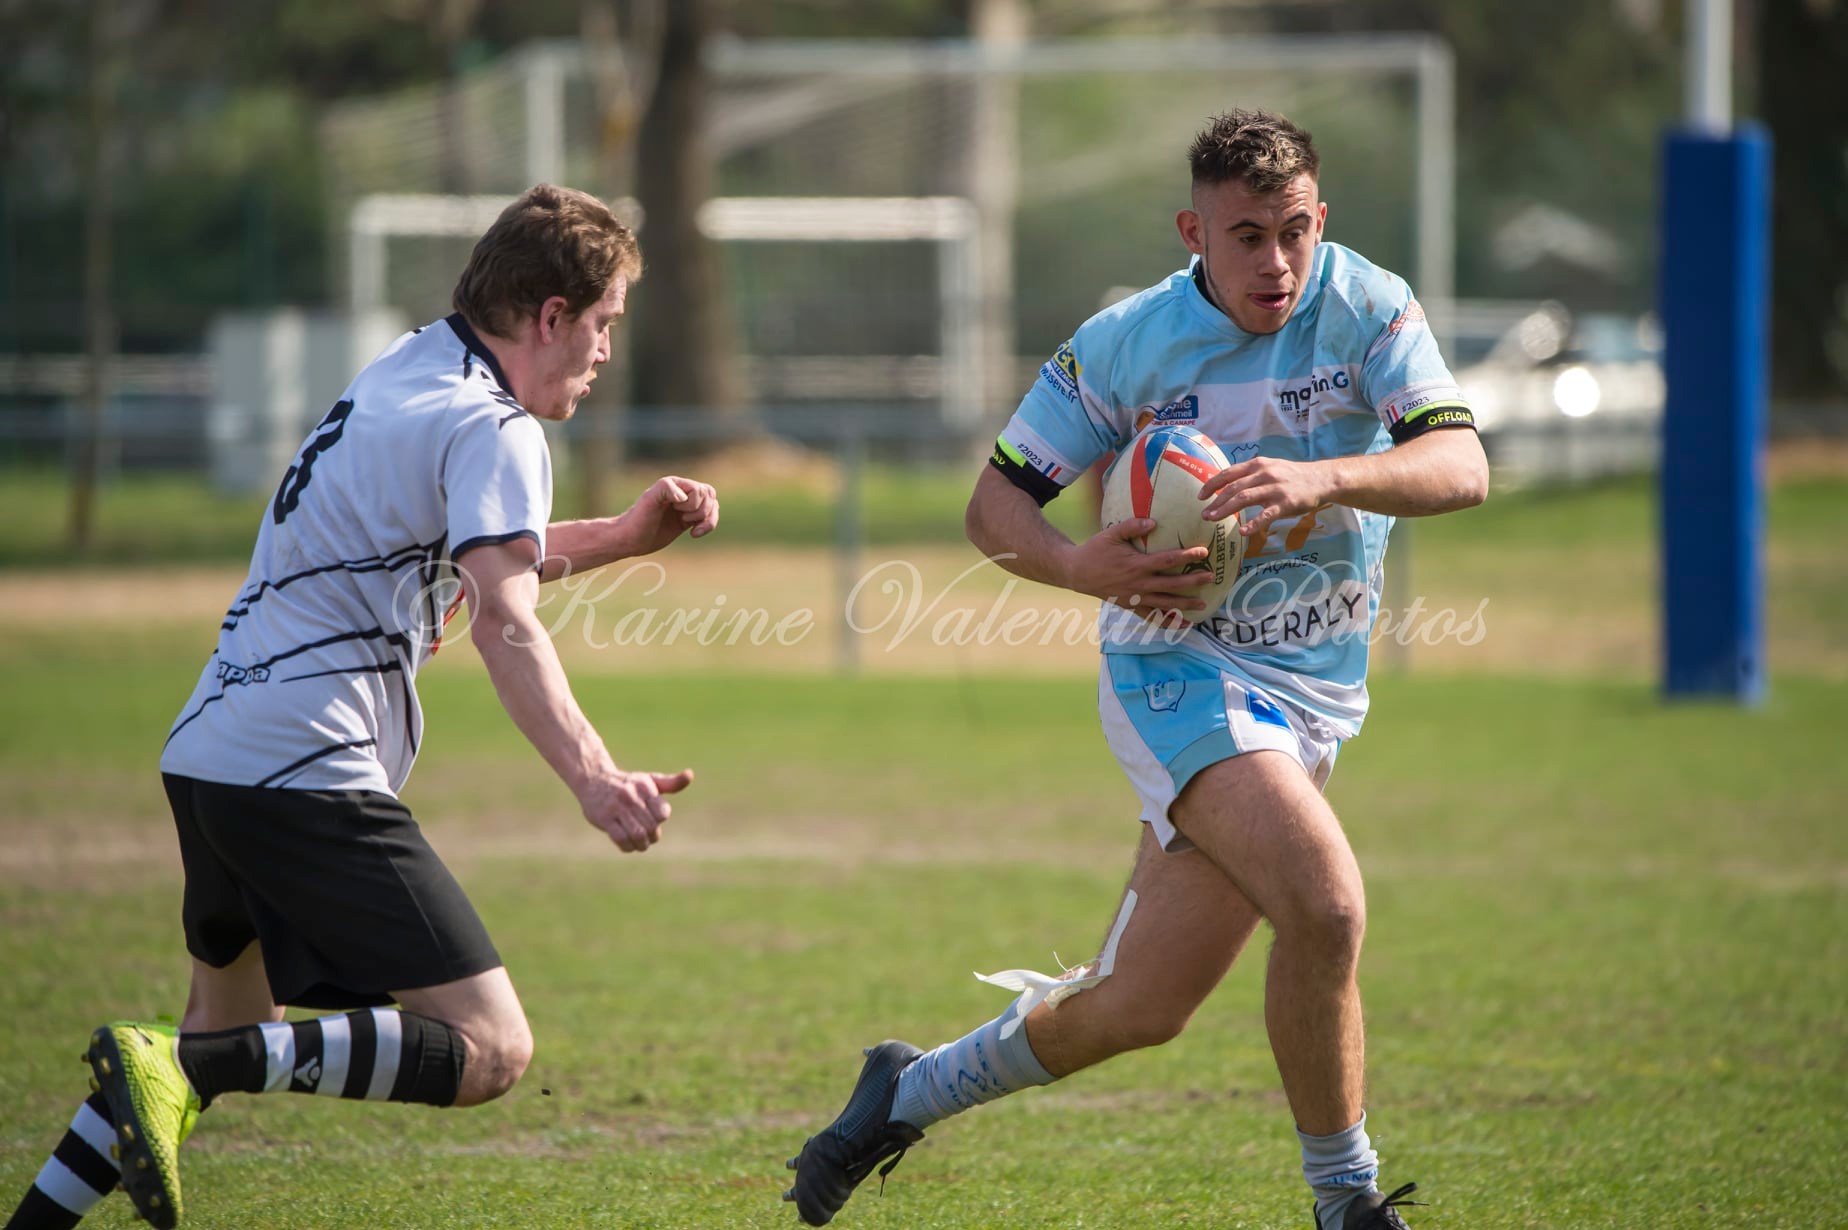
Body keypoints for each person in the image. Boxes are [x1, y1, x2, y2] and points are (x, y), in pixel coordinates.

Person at [783, 110, 1487, 1230]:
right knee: (1327, 906)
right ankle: (1348, 1203)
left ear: (1322, 219)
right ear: (1194, 233)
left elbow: (1461, 464)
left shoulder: (1369, 306)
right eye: (1247, 236)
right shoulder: (1126, 344)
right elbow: (993, 505)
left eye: (1295, 231)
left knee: (1140, 1006)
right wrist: (1076, 565)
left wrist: (1323, 478)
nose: (1277, 261)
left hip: (1314, 688)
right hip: (1177, 664)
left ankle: (901, 1095)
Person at [4, 184, 719, 1230]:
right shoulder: (496, 426)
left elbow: (465, 552)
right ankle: (175, 1063)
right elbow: (502, 616)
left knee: (222, 1031)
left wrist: (620, 535)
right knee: (489, 1048)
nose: (607, 349)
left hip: (213, 754)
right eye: (604, 322)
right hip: (305, 764)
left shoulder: (410, 369)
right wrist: (595, 776)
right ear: (552, 315)